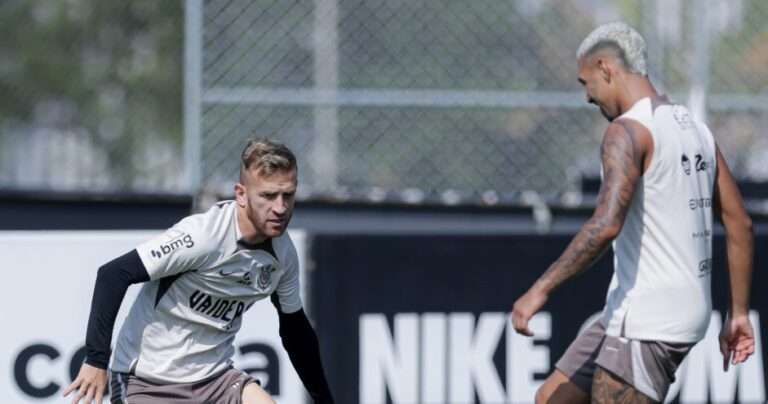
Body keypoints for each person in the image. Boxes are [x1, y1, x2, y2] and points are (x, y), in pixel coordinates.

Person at [511, 22, 755, 403]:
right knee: (551, 398)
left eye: (586, 83)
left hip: (646, 323)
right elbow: (740, 223)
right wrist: (738, 314)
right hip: (643, 312)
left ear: (606, 68)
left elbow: (606, 224)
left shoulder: (627, 132)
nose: (587, 97)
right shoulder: (695, 129)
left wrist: (538, 290)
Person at [64, 139, 335, 404]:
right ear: (241, 194)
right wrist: (96, 361)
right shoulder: (203, 236)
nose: (280, 208)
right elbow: (113, 275)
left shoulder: (284, 255)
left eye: (288, 195)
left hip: (216, 379)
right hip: (148, 381)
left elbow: (296, 331)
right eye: (268, 196)